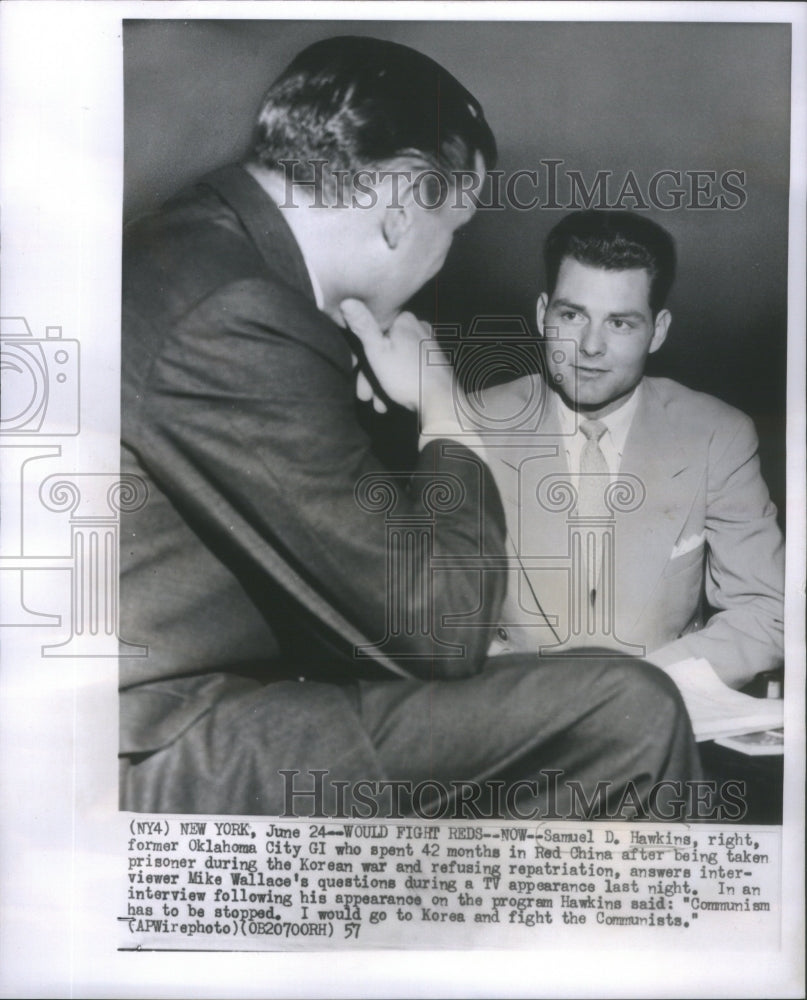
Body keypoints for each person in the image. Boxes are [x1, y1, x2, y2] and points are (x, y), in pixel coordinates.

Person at [119, 37, 702, 819]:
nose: (442, 259)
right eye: (452, 226)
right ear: (399, 207)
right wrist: (445, 411)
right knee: (628, 710)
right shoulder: (240, 315)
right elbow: (442, 630)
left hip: (171, 707)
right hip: (157, 743)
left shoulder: (190, 247)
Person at [481, 210, 784, 690]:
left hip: (661, 711)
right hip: (511, 713)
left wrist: (635, 690)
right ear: (542, 315)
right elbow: (426, 615)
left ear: (657, 331)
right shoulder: (470, 427)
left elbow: (767, 611)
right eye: (572, 315)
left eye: (620, 323)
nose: (590, 346)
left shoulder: (718, 436)